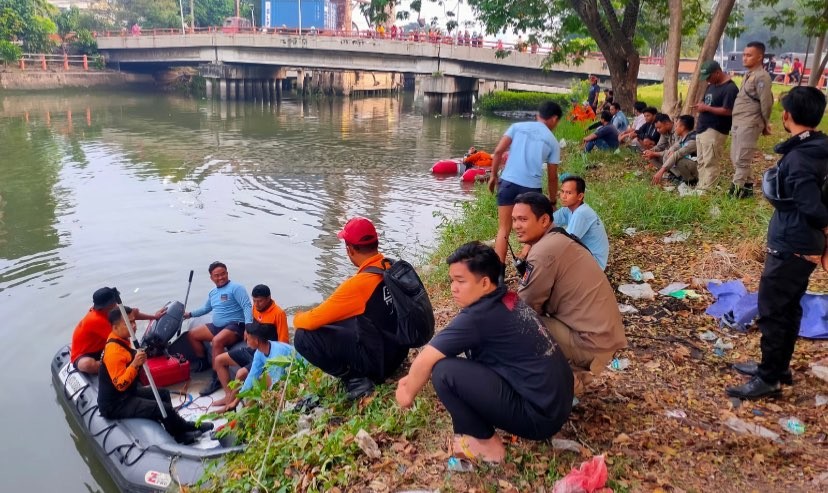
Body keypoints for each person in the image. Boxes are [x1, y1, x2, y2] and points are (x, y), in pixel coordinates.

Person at [395, 242, 573, 463]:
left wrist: (407, 393)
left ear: (485, 283)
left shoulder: (478, 317)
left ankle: (487, 445)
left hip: (539, 417)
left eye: (461, 281)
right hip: (556, 405)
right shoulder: (506, 299)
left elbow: (426, 358)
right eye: (452, 280)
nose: (453, 288)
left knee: (444, 372)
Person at [726, 87, 828, 399]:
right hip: (801, 242)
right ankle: (777, 366)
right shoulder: (818, 149)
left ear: (788, 116)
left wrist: (825, 234)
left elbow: (812, 207)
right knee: (788, 305)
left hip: (792, 244)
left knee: (772, 309)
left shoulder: (799, 159)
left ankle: (769, 379)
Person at [512, 192, 626, 394]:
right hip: (604, 338)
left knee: (515, 324)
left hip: (591, 345)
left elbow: (525, 306)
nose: (516, 226)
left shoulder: (544, 251)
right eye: (514, 220)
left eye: (523, 219)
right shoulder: (559, 238)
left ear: (544, 220)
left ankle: (563, 386)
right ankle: (568, 377)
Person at [293, 217, 407, 400]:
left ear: (350, 249)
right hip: (399, 351)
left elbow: (310, 321)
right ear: (376, 243)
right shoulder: (390, 266)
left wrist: (297, 317)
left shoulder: (357, 285)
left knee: (302, 337)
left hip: (381, 364)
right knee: (344, 318)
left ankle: (355, 380)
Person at [97, 307, 212, 444]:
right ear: (115, 327)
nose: (133, 326)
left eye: (133, 322)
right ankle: (179, 434)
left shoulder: (122, 340)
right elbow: (120, 385)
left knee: (163, 393)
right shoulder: (114, 352)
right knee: (163, 407)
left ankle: (178, 428)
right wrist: (135, 364)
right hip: (117, 402)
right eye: (128, 323)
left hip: (129, 392)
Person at [487, 101, 562, 268]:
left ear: (538, 116)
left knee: (503, 230)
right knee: (536, 228)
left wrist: (493, 176)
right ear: (554, 119)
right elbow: (552, 177)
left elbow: (498, 152)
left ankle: (499, 274)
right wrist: (552, 201)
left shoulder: (516, 127)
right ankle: (523, 257)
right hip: (531, 189)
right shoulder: (553, 142)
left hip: (507, 184)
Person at [211, 284, 289, 408]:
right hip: (254, 349)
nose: (257, 304)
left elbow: (283, 341)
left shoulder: (279, 313)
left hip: (267, 353)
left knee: (241, 374)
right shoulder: (255, 308)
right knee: (219, 360)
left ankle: (232, 404)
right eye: (254, 301)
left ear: (268, 298)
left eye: (260, 301)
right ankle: (228, 396)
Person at [184, 261, 253, 396]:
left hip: (235, 326)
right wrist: (190, 314)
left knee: (216, 341)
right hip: (217, 326)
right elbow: (206, 309)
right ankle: (203, 363)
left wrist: (248, 327)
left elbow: (246, 306)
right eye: (217, 275)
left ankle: (216, 379)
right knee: (192, 335)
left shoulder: (236, 288)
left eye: (223, 274)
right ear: (211, 278)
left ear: (227, 273)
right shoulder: (213, 292)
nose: (220, 277)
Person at [71, 287, 165, 375]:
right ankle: (111, 370)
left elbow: (132, 314)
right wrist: (134, 357)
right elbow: (120, 339)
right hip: (84, 353)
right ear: (106, 305)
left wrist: (153, 317)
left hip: (101, 348)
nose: (116, 304)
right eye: (113, 303)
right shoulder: (95, 319)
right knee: (87, 364)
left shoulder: (110, 310)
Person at [214, 322, 297, 412]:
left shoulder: (277, 354)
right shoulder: (259, 352)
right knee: (254, 385)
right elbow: (251, 377)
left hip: (297, 373)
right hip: (282, 374)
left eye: (248, 339)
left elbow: (277, 383)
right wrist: (236, 401)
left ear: (256, 341)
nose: (246, 343)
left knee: (264, 384)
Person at [730, 41, 774, 198]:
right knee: (735, 158)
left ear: (759, 57)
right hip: (738, 122)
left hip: (750, 123)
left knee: (742, 159)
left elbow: (766, 103)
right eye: (744, 55)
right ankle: (748, 189)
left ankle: (734, 193)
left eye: (749, 55)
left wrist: (765, 123)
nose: (744, 58)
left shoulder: (762, 77)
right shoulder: (748, 75)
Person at [691, 60, 739, 191]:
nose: (708, 81)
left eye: (709, 77)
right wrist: (701, 106)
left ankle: (708, 191)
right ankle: (701, 187)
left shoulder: (730, 88)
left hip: (715, 129)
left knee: (710, 162)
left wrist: (706, 108)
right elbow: (708, 101)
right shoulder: (711, 85)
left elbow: (728, 110)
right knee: (701, 161)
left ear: (717, 73)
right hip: (702, 128)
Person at [553, 176, 610, 270]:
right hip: (584, 256)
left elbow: (565, 244)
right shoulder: (567, 209)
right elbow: (549, 221)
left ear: (580, 196)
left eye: (569, 193)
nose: (563, 196)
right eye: (562, 191)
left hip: (594, 264)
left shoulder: (581, 213)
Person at [651, 114, 698, 186]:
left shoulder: (692, 140)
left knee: (679, 161)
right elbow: (674, 147)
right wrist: (670, 151)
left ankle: (691, 182)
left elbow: (677, 154)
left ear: (682, 128)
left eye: (676, 126)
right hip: (692, 164)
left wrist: (661, 171)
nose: (675, 129)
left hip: (699, 168)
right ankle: (678, 177)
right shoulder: (684, 137)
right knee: (669, 155)